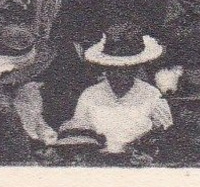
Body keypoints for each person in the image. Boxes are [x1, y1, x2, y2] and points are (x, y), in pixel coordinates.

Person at [68, 22, 173, 158]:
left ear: (135, 68)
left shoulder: (151, 94)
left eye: (124, 69)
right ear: (105, 68)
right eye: (112, 69)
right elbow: (78, 135)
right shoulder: (90, 95)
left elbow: (166, 133)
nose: (118, 75)